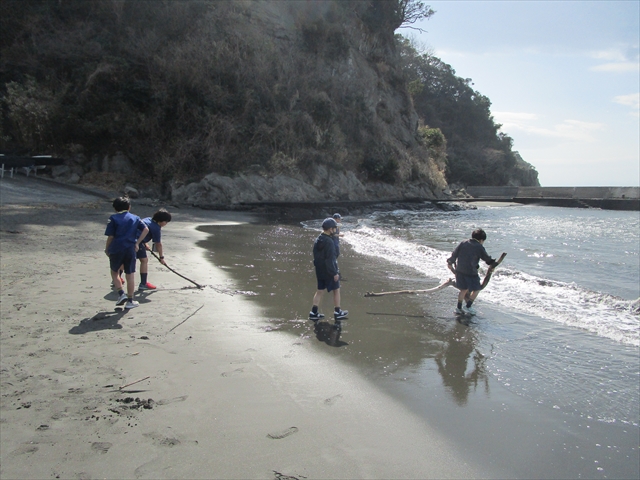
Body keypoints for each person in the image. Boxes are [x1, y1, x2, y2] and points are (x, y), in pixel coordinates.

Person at [104, 196, 149, 309]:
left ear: (115, 208)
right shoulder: (135, 218)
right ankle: (130, 300)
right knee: (130, 274)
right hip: (130, 248)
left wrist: (107, 248)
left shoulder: (113, 218)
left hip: (116, 248)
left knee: (115, 271)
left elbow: (111, 236)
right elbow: (146, 229)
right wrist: (137, 243)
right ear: (129, 207)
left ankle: (121, 293)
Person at [446, 228, 498, 315]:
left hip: (460, 270)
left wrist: (450, 262)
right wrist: (493, 263)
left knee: (463, 290)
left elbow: (455, 254)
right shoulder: (479, 246)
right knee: (477, 289)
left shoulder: (463, 243)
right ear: (481, 240)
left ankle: (458, 308)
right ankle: (468, 306)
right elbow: (486, 258)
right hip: (471, 272)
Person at [309, 218, 348, 321]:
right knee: (336, 290)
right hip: (329, 270)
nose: (336, 229)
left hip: (319, 270)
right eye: (335, 228)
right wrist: (334, 273)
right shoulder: (329, 242)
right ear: (330, 229)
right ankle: (337, 311)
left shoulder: (319, 239)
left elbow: (316, 256)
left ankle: (313, 312)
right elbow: (330, 259)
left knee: (320, 291)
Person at [136, 208, 172, 291]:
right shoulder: (156, 228)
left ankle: (117, 278)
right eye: (166, 222)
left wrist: (145, 243)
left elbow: (140, 231)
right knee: (144, 260)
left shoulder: (148, 219)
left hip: (130, 239)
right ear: (162, 221)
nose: (166, 224)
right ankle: (143, 283)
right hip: (137, 243)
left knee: (125, 259)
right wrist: (161, 257)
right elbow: (158, 244)